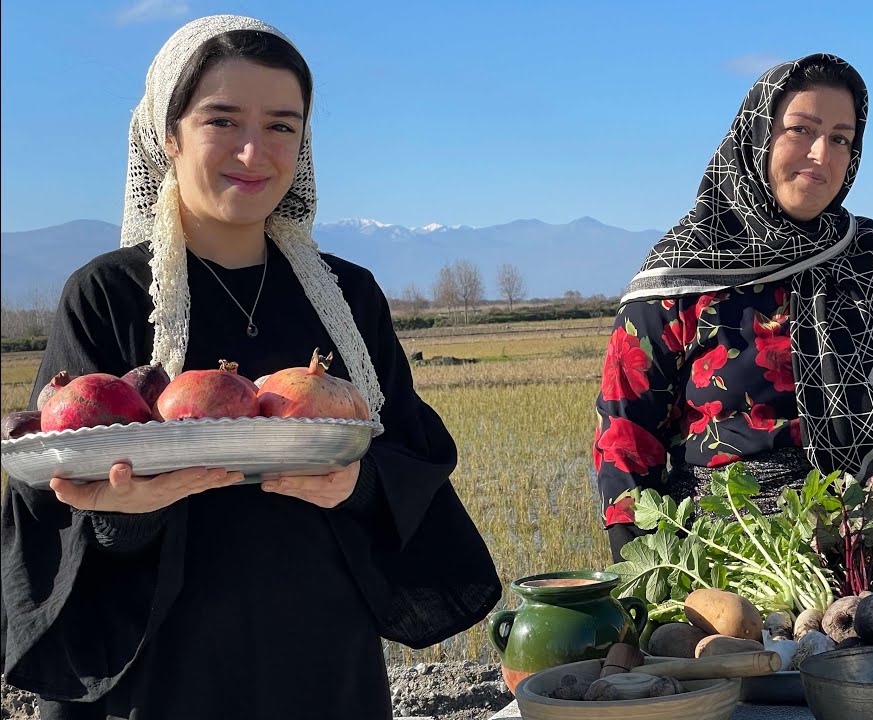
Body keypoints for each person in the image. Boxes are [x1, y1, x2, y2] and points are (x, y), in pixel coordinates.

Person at [0, 15, 500, 719]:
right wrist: (127, 514)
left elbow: (411, 453)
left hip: (324, 659)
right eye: (222, 120)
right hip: (161, 671)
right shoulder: (110, 294)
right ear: (166, 135)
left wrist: (352, 485)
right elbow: (54, 494)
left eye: (282, 126)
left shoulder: (347, 295)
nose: (252, 150)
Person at [593, 54, 873, 561]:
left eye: (841, 137)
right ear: (758, 135)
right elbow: (625, 432)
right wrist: (646, 576)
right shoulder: (680, 274)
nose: (822, 153)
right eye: (801, 129)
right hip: (727, 565)